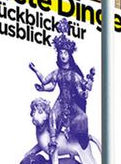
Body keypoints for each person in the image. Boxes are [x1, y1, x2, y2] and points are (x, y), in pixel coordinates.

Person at [28, 21, 100, 164]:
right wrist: (37, 74)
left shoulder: (74, 75)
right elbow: (48, 84)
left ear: (69, 55)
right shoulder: (57, 73)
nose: (63, 56)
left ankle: (78, 139)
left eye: (65, 53)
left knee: (82, 117)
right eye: (61, 53)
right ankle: (53, 141)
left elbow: (81, 90)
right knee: (52, 116)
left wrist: (84, 92)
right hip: (61, 101)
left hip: (72, 104)